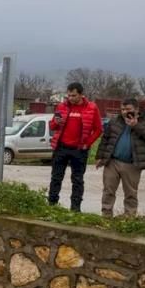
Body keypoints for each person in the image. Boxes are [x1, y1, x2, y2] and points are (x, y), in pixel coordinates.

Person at [48, 82, 103, 212]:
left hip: (79, 149)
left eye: (73, 95)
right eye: (69, 95)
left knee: (77, 180)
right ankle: (51, 205)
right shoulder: (62, 106)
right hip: (61, 147)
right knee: (56, 177)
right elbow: (52, 126)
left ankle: (75, 208)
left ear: (81, 95)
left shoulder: (91, 108)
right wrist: (56, 122)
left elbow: (98, 129)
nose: (70, 98)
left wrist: (87, 143)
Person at [95, 99, 145, 217]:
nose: (125, 112)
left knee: (130, 193)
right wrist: (99, 156)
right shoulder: (115, 120)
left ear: (136, 109)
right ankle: (106, 215)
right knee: (108, 190)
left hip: (132, 164)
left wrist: (136, 125)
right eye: (123, 109)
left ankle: (129, 217)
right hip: (113, 162)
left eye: (128, 109)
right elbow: (105, 139)